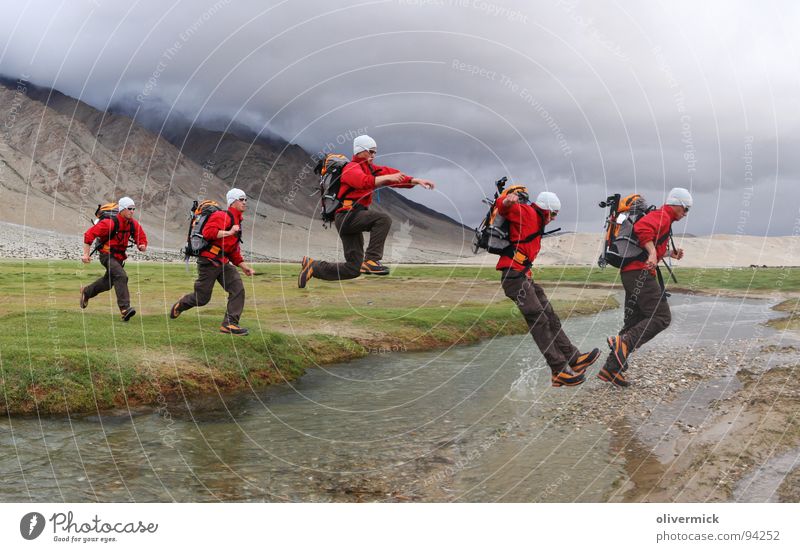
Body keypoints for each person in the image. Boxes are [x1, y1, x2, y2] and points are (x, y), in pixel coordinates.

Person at [298, 134, 435, 287]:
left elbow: (391, 174)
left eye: (375, 152)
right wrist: (385, 179)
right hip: (347, 216)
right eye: (371, 151)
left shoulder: (371, 169)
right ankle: (371, 260)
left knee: (353, 269)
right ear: (360, 151)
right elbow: (363, 182)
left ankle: (312, 267)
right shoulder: (351, 168)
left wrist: (415, 181)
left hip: (352, 218)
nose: (373, 155)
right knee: (382, 219)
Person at [497, 187, 600, 387]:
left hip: (523, 275)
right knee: (539, 318)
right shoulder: (526, 212)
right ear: (545, 210)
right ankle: (558, 370)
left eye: (556, 215)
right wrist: (507, 201)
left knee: (549, 315)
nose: (553, 218)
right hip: (513, 277)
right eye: (552, 214)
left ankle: (574, 359)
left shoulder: (537, 220)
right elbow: (503, 208)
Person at [599, 187, 692, 387]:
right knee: (661, 317)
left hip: (631, 273)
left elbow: (645, 243)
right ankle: (623, 344)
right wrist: (652, 253)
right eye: (685, 209)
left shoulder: (663, 218)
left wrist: (667, 254)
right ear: (676, 204)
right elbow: (642, 229)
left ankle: (611, 369)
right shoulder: (662, 216)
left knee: (634, 322)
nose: (685, 214)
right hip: (640, 273)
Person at [170, 188, 256, 335]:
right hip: (209, 261)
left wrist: (244, 266)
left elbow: (232, 251)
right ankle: (181, 304)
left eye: (245, 199)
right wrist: (229, 232)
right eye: (241, 199)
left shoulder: (237, 221)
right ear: (233, 201)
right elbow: (208, 232)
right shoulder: (221, 215)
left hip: (223, 263)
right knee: (202, 298)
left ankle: (229, 324)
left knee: (238, 289)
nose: (245, 202)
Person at [80, 197, 147, 321]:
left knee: (108, 282)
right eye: (129, 209)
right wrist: (86, 254)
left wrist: (142, 244)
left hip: (119, 257)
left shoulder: (132, 223)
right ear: (122, 209)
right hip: (107, 255)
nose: (132, 211)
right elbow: (89, 235)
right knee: (121, 276)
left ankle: (86, 292)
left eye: (134, 209)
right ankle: (125, 309)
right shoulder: (109, 223)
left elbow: (140, 236)